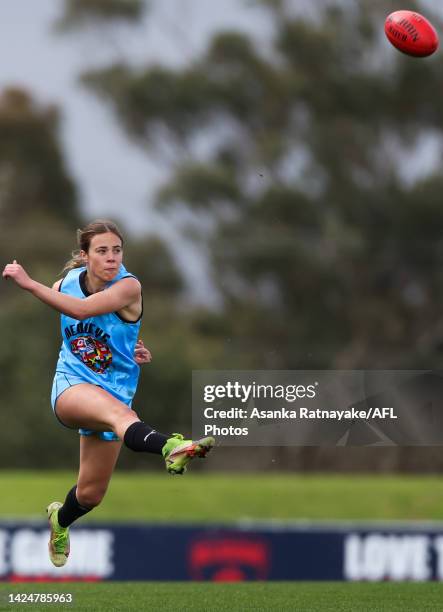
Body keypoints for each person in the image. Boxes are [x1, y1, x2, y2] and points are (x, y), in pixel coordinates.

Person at [2, 219, 214, 568]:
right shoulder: (65, 284)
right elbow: (74, 313)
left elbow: (85, 312)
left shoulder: (129, 287)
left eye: (117, 250)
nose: (112, 257)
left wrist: (128, 346)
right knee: (122, 418)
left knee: (90, 494)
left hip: (115, 391)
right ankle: (170, 446)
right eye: (102, 251)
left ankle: (60, 521)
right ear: (85, 256)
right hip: (70, 387)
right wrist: (33, 286)